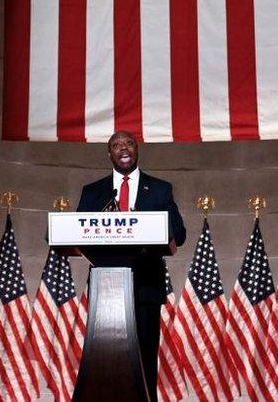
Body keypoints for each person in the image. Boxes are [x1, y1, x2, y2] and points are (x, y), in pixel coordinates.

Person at [76, 130, 187, 400]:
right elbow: (75, 232)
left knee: (144, 357)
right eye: (116, 145)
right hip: (107, 291)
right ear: (109, 153)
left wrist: (144, 226)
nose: (123, 148)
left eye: (128, 143)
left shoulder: (160, 189)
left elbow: (179, 234)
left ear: (136, 149)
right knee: (103, 358)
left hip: (145, 287)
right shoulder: (93, 192)